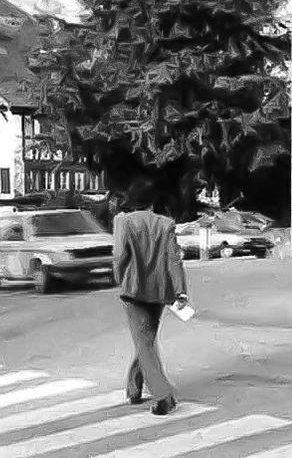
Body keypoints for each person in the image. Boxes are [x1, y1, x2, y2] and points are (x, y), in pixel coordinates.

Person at [112, 178, 189, 416]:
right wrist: (180, 290)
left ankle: (163, 395)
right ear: (152, 202)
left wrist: (119, 278)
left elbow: (119, 256)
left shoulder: (123, 222)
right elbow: (174, 260)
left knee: (143, 342)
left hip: (133, 291)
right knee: (145, 340)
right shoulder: (165, 224)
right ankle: (134, 388)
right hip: (159, 293)